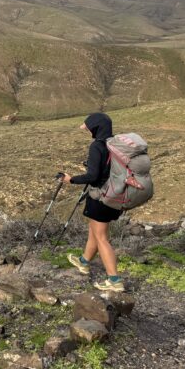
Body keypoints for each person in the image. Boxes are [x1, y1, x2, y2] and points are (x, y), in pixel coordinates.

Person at [61, 112, 125, 292]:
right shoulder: (114, 144)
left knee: (102, 238)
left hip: (101, 198)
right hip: (114, 195)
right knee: (94, 231)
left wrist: (70, 179)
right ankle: (83, 262)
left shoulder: (97, 146)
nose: (87, 130)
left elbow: (93, 176)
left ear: (96, 128)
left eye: (88, 127)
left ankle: (114, 280)